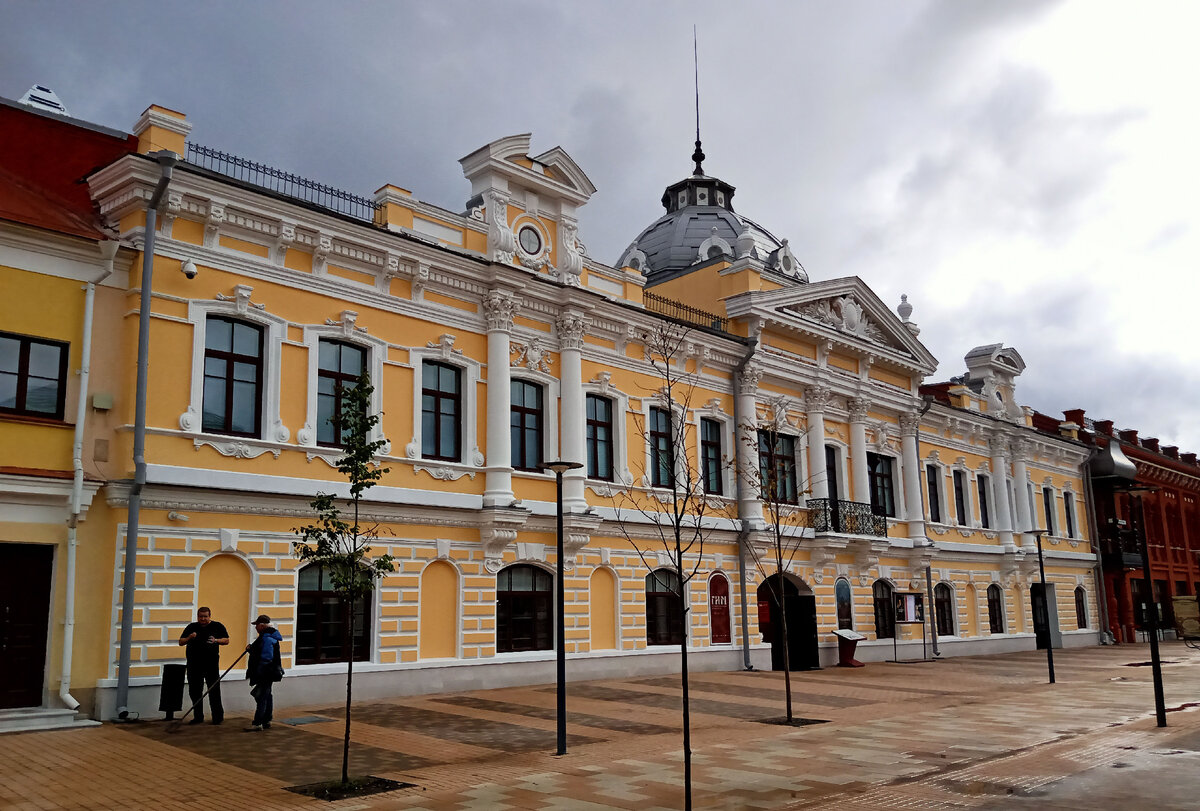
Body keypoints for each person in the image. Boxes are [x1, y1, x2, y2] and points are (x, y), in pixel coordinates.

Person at [177, 607, 229, 725]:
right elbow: (181, 642)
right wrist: (190, 637)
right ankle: (198, 717)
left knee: (214, 690)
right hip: (194, 665)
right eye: (201, 616)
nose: (203, 619)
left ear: (209, 616)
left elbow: (226, 640)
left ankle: (217, 717)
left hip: (211, 664)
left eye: (205, 616)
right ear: (197, 616)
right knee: (195, 691)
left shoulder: (217, 626)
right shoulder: (191, 627)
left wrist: (216, 640)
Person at [245, 614, 283, 732]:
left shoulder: (266, 638)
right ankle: (266, 720)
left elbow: (266, 657)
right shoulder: (268, 636)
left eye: (256, 625)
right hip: (269, 672)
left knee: (261, 696)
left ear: (261, 626)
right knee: (267, 695)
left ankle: (258, 722)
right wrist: (252, 649)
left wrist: (259, 671)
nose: (255, 628)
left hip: (265, 672)